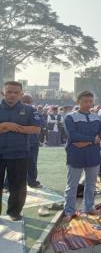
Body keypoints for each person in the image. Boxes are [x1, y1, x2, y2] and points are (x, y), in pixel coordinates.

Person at [0, 81, 41, 221]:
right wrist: (5, 125)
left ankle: (14, 212)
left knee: (18, 186)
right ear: (2, 92)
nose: (12, 95)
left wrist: (11, 127)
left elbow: (36, 129)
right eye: (9, 91)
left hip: (19, 153)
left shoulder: (29, 110)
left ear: (21, 94)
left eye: (16, 92)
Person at [63, 91, 101, 221]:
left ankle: (89, 207)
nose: (88, 104)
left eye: (90, 101)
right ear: (78, 102)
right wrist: (92, 140)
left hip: (93, 155)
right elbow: (73, 136)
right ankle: (69, 210)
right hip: (75, 155)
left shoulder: (97, 118)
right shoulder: (70, 117)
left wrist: (85, 142)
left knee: (91, 184)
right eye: (85, 101)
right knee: (72, 185)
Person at [21, 95, 42, 188]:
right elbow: (41, 124)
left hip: (27, 141)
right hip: (29, 141)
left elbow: (41, 124)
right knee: (32, 162)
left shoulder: (31, 111)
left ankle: (8, 183)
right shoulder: (34, 111)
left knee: (15, 163)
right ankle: (32, 181)